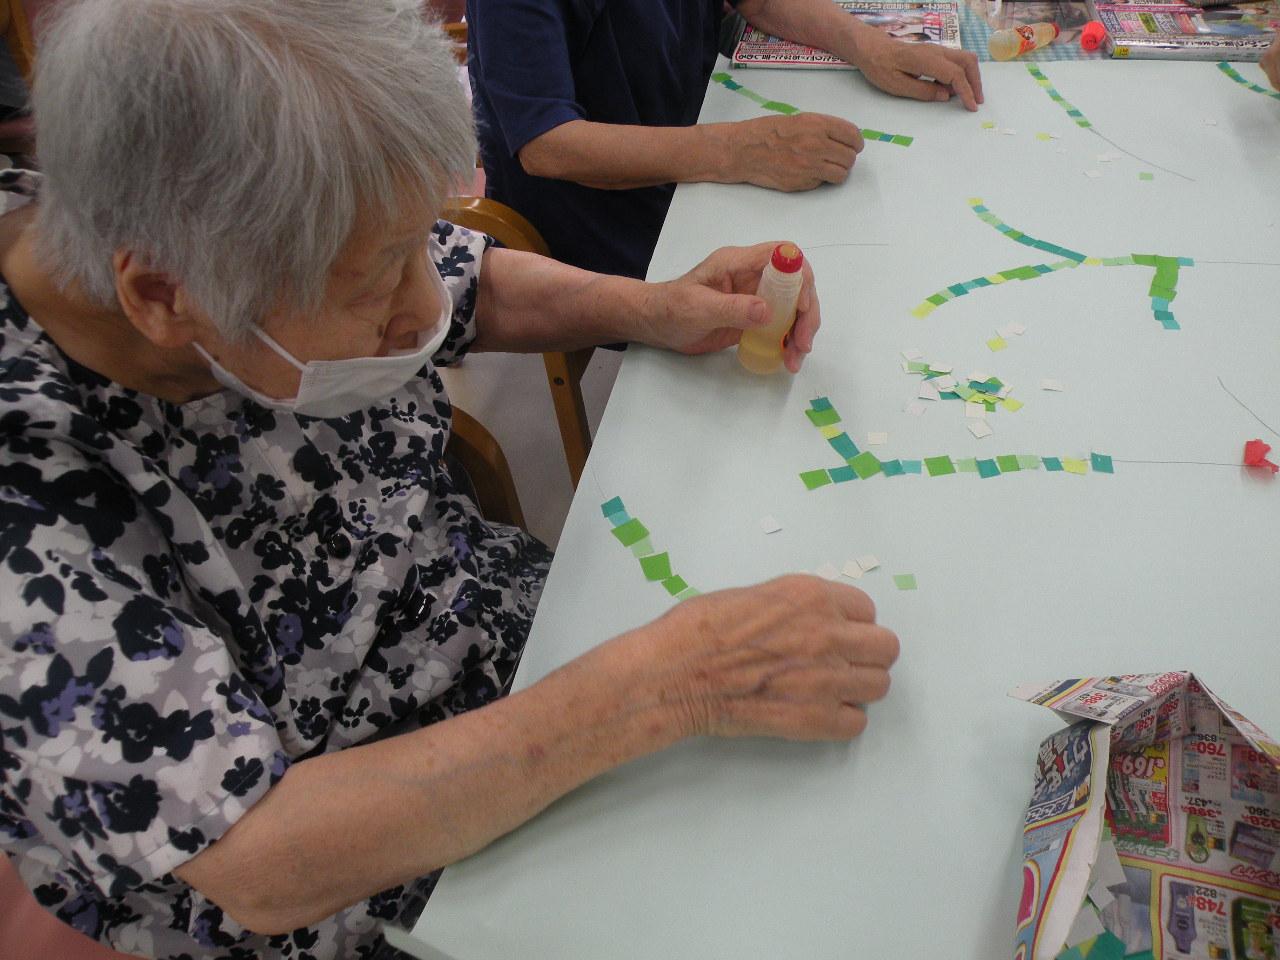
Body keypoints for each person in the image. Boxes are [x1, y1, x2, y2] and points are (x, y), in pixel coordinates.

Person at [0, 2, 900, 959]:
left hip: (501, 635)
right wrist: (669, 686)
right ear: (160, 296)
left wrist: (657, 308)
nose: (423, 305)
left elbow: (463, 281)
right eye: (375, 287)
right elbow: (258, 859)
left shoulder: (223, 227)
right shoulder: (30, 517)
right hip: (348, 853)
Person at [467, 0, 985, 279]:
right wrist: (742, 150)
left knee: (888, 232)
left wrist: (871, 45)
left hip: (696, 134)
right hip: (600, 209)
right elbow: (549, 146)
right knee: (832, 280)